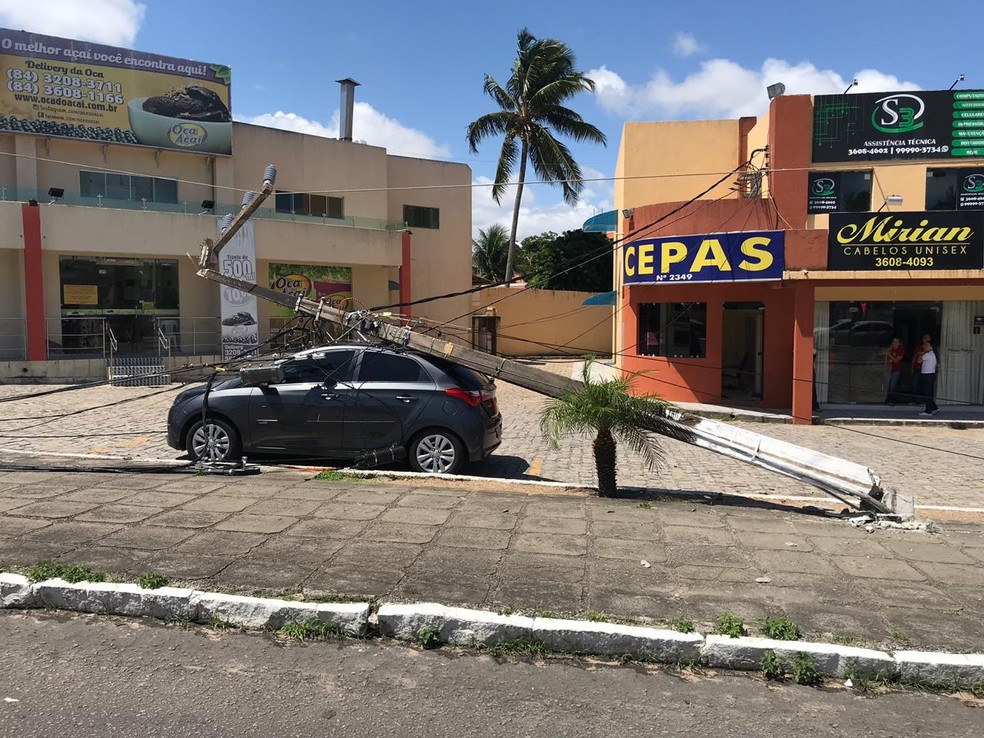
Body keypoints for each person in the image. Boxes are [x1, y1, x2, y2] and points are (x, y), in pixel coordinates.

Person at [916, 337, 939, 417]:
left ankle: (928, 411)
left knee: (927, 393)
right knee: (928, 392)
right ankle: (934, 407)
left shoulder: (928, 354)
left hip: (927, 375)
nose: (925, 347)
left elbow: (919, 361)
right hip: (931, 374)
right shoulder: (933, 354)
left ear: (931, 347)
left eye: (927, 345)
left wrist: (922, 353)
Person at [880, 338, 905, 405]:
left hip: (896, 370)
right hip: (889, 369)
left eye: (896, 342)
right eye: (893, 341)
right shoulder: (891, 349)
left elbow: (896, 360)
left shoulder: (901, 350)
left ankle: (893, 400)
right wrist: (889, 350)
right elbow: (881, 353)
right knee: (888, 385)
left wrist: (889, 354)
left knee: (893, 385)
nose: (894, 343)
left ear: (899, 343)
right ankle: (888, 399)